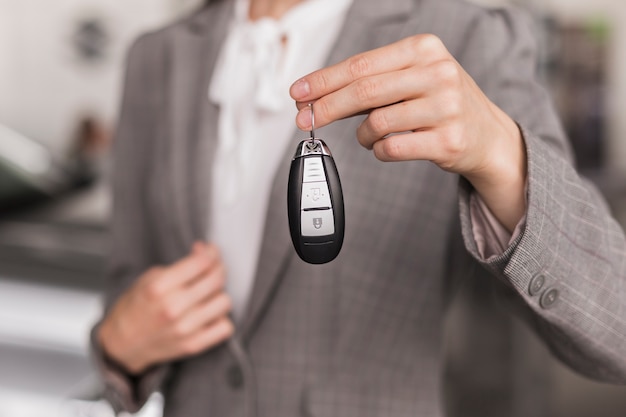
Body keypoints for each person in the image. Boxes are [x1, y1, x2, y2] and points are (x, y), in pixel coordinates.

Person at [92, 0, 626, 415]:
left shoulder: (465, 36)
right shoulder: (156, 58)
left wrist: (500, 151)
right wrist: (118, 347)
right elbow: (126, 284)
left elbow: (615, 330)